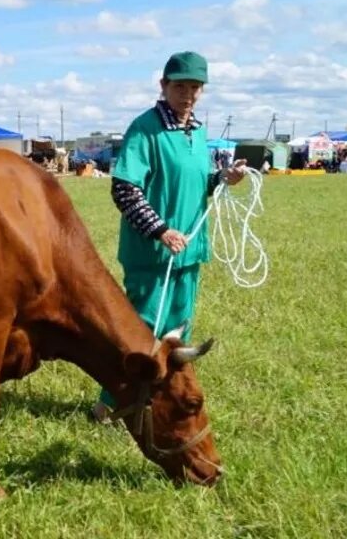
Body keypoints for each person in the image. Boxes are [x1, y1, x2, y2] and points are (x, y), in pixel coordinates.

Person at [92, 51, 246, 422]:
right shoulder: (145, 129)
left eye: (195, 87)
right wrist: (160, 230)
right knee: (142, 330)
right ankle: (109, 405)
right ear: (164, 86)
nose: (188, 94)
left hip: (189, 251)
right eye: (180, 86)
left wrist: (222, 180)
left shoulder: (197, 131)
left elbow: (192, 186)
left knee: (178, 330)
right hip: (152, 253)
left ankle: (164, 395)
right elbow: (125, 189)